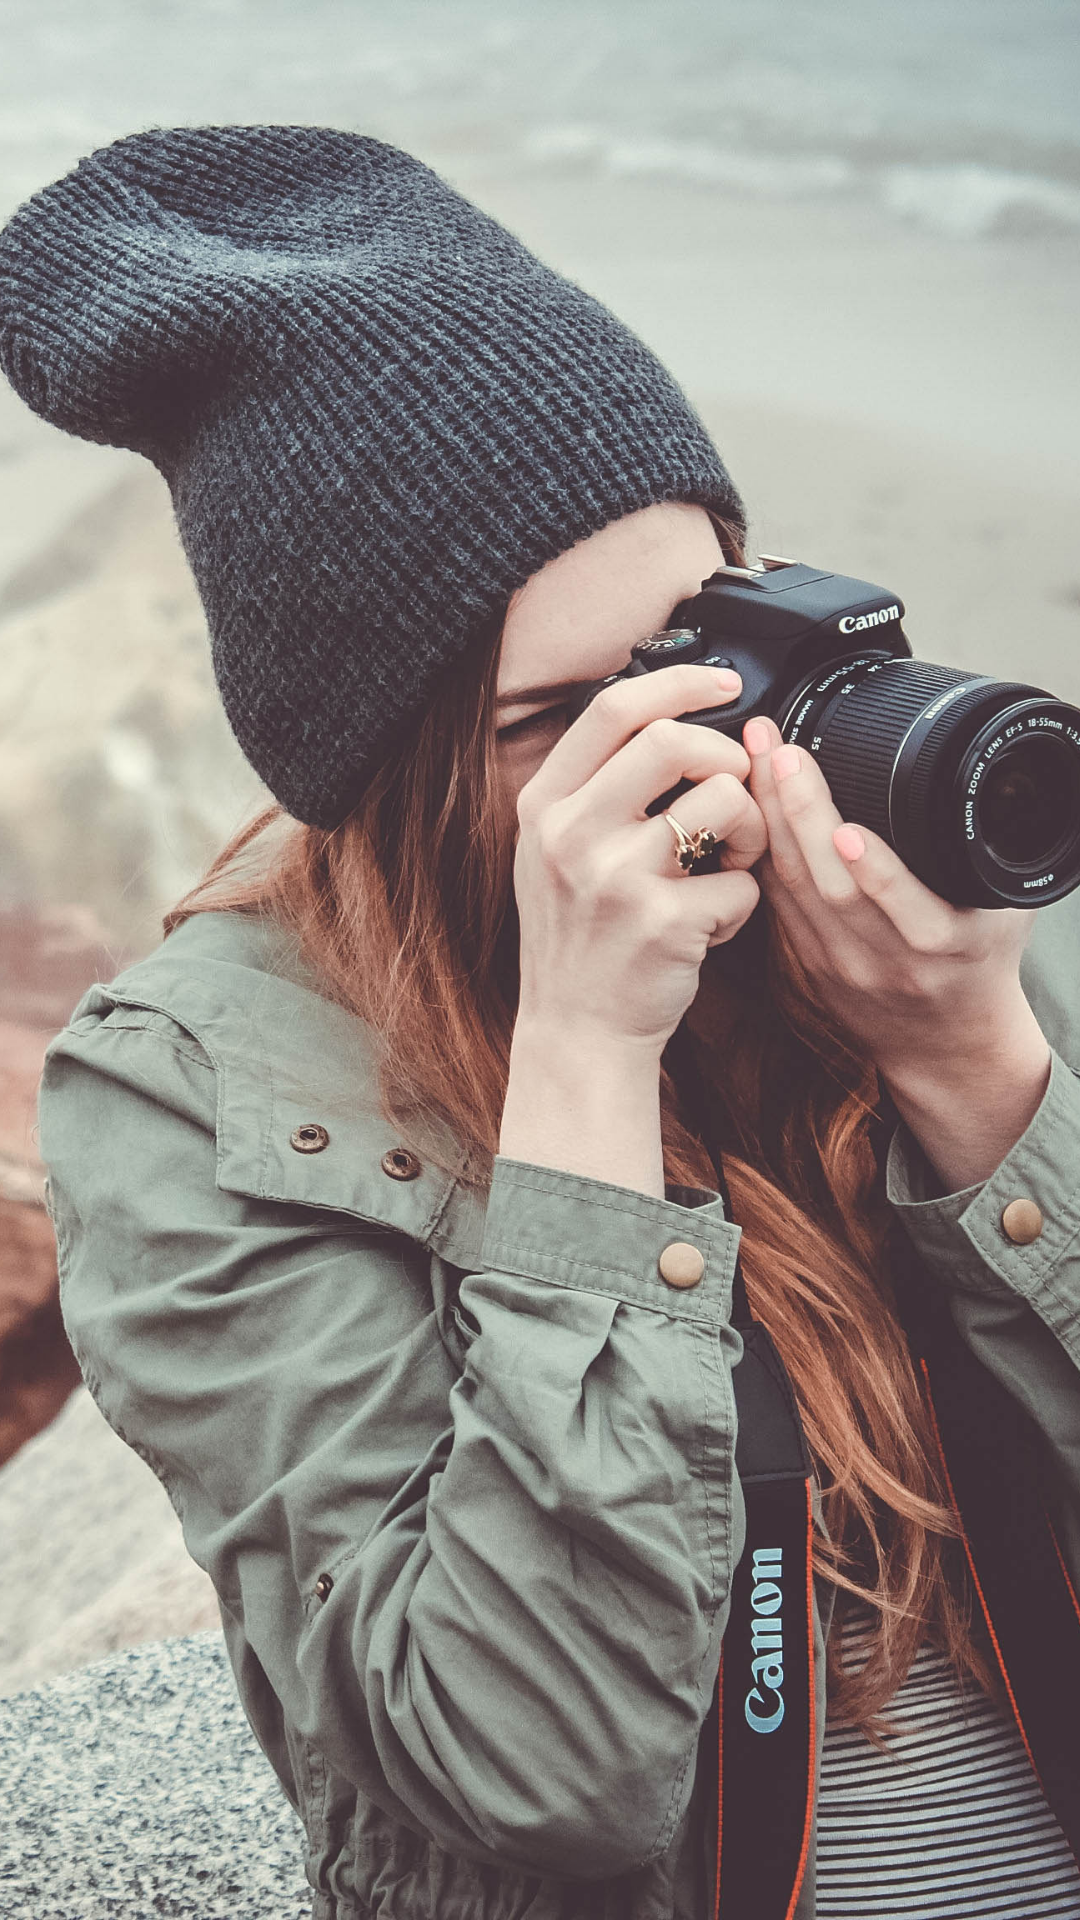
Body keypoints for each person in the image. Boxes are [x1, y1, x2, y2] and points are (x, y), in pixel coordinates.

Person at [2, 125, 1079, 1920]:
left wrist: (974, 1066)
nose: (685, 757)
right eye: (560, 718)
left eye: (698, 644)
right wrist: (586, 1064)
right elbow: (529, 1773)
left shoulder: (871, 917)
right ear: (394, 763)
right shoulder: (185, 1093)